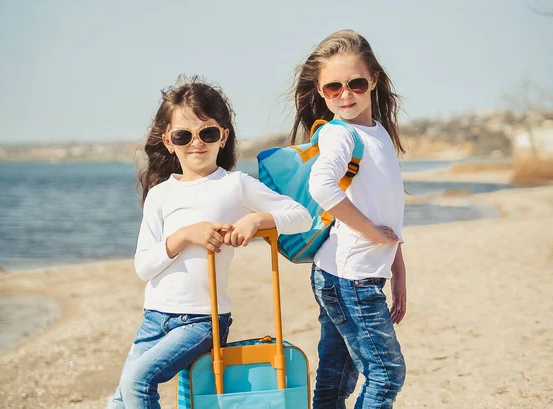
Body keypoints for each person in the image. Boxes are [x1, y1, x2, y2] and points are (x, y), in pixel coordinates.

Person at [107, 76, 312, 409]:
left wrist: (256, 219)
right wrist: (187, 235)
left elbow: (301, 215)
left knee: (137, 382)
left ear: (223, 136)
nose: (196, 143)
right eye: (183, 135)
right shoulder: (160, 195)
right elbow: (144, 266)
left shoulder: (235, 186)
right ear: (169, 141)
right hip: (155, 317)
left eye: (208, 133)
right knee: (120, 400)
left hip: (202, 319)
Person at [288, 29, 407, 408]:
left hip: (352, 276)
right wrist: (370, 231)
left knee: (336, 379)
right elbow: (324, 187)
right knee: (387, 375)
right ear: (321, 92)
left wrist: (398, 269)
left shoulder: (379, 134)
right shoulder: (339, 135)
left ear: (372, 79)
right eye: (332, 88)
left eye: (355, 83)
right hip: (349, 279)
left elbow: (387, 211)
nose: (345, 95)